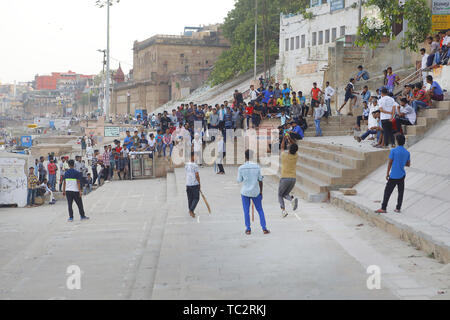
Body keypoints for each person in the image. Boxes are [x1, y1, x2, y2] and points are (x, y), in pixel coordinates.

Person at [237, 149, 270, 235]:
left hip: (245, 192)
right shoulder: (257, 167)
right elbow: (260, 180)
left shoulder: (241, 168)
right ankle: (264, 228)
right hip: (256, 191)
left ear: (245, 156)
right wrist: (261, 192)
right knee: (260, 210)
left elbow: (239, 180)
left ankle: (248, 229)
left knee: (246, 211)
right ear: (252, 156)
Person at [375, 135, 410, 214]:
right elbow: (408, 164)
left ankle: (383, 208)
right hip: (402, 174)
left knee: (387, 191)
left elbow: (390, 162)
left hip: (394, 175)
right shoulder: (407, 152)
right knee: (400, 192)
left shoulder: (393, 151)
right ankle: (398, 208)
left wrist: (387, 173)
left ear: (397, 141)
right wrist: (401, 162)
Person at [278, 136, 299, 218]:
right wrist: (290, 139)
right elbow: (295, 146)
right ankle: (291, 199)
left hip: (284, 178)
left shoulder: (284, 155)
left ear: (289, 149)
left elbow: (282, 147)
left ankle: (283, 210)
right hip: (293, 178)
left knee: (280, 195)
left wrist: (284, 138)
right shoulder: (296, 156)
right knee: (285, 194)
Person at [185, 151, 201, 218]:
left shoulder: (186, 165)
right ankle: (191, 210)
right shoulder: (195, 165)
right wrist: (199, 183)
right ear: (192, 157)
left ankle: (191, 210)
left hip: (188, 184)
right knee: (196, 198)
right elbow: (197, 175)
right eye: (195, 156)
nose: (196, 157)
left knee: (190, 198)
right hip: (194, 184)